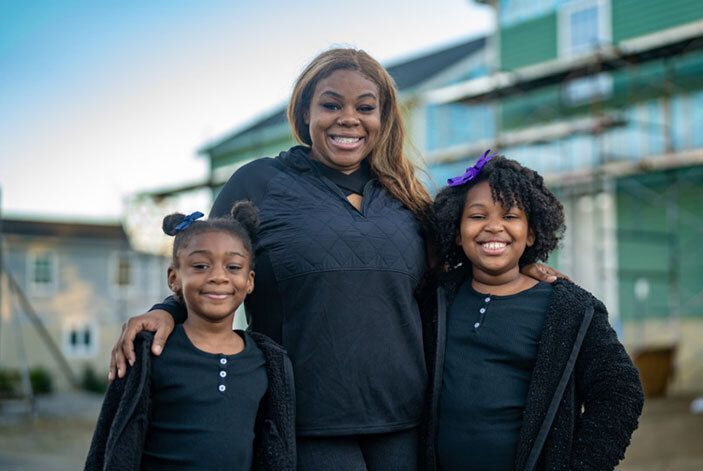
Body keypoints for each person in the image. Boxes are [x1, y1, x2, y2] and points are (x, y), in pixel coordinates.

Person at [108, 48, 560, 470]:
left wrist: (517, 271)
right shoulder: (259, 182)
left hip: (405, 421)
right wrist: (167, 311)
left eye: (365, 107)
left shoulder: (406, 197)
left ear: (383, 119)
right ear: (306, 113)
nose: (349, 118)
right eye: (331, 105)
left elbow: (452, 278)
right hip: (305, 422)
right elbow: (209, 264)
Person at [422, 154, 644, 471]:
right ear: (457, 231)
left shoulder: (569, 310)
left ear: (531, 233)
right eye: (477, 216)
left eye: (511, 217)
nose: (494, 227)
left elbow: (620, 391)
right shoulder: (436, 300)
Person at [85, 202, 295, 470]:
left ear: (250, 280)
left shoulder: (266, 363)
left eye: (233, 267)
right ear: (174, 278)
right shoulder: (152, 353)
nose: (218, 276)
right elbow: (112, 441)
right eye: (200, 265)